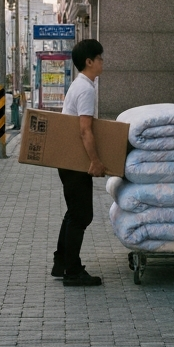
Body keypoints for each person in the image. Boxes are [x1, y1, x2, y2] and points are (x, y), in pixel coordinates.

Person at [52, 38, 105, 287]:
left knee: (74, 213)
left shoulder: (79, 85)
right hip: (76, 162)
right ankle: (72, 271)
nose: (103, 62)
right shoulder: (86, 89)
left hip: (68, 160)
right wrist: (95, 161)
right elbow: (85, 130)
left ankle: (61, 263)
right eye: (100, 58)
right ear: (89, 61)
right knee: (82, 215)